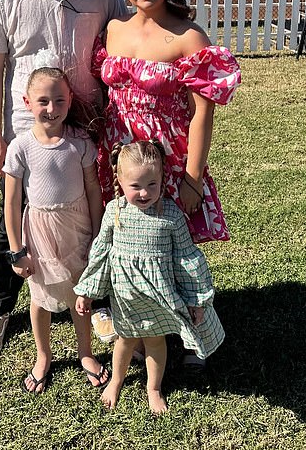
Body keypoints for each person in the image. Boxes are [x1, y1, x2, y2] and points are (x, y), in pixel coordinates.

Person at [0, 0, 128, 360]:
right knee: (15, 218)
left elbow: (130, 39)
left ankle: (95, 298)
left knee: (90, 213)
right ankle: (0, 309)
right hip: (27, 129)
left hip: (86, 126)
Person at [92, 0, 240, 369]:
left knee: (178, 251)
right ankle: (139, 330)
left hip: (169, 161)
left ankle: (198, 336)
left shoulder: (189, 36)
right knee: (131, 245)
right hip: (120, 157)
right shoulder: (114, 29)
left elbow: (201, 115)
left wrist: (193, 178)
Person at [75, 140, 224, 414]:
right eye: (136, 186)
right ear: (119, 180)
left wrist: (197, 298)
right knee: (125, 340)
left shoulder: (171, 215)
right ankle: (117, 381)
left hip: (159, 295)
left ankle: (153, 388)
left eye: (152, 185)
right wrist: (86, 290)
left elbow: (187, 258)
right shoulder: (115, 211)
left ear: (162, 179)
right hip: (126, 296)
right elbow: (100, 252)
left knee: (156, 341)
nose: (144, 193)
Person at [2, 56, 109, 393]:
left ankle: (86, 353)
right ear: (27, 102)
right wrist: (17, 252)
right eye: (43, 101)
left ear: (70, 101)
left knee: (81, 292)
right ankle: (43, 356)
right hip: (39, 230)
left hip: (76, 226)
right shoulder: (20, 147)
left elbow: (93, 190)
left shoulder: (80, 143)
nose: (51, 107)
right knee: (40, 296)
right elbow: (11, 202)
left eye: (59, 100)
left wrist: (95, 233)